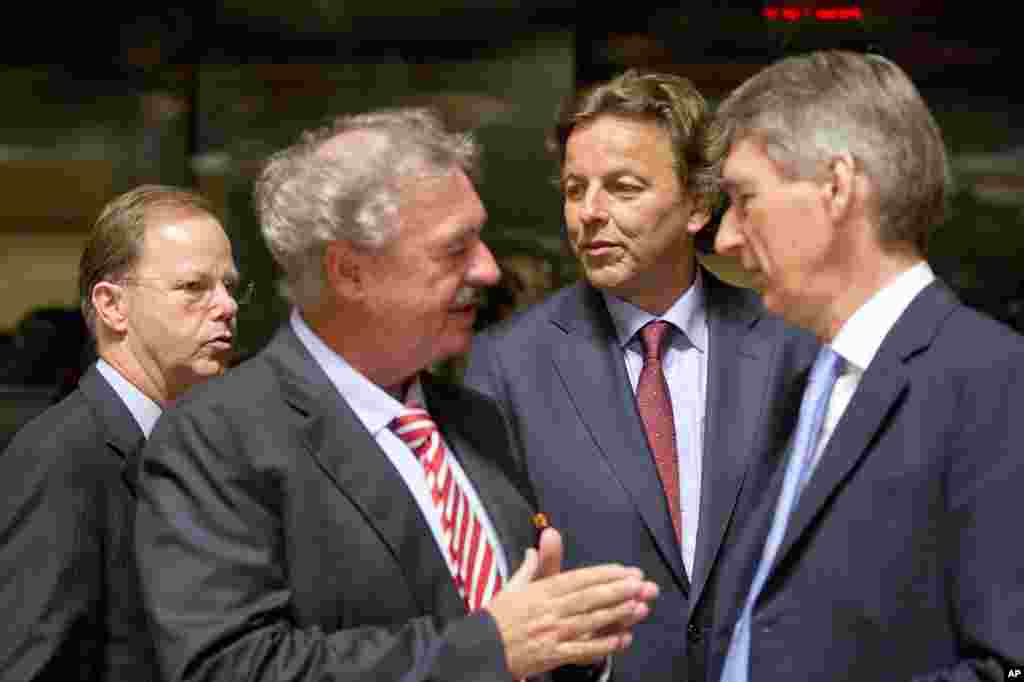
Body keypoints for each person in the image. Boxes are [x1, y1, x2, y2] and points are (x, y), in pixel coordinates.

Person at [133, 108, 658, 682]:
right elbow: (232, 668)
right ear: (350, 272)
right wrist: (488, 647)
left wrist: (571, 643)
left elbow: (525, 636)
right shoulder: (216, 439)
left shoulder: (476, 419)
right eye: (455, 249)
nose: (487, 269)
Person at [463, 70, 816, 682]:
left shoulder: (791, 349)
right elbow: (494, 583)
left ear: (698, 205)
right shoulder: (507, 364)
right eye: (575, 190)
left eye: (623, 188)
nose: (590, 214)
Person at [709, 50, 1024, 682]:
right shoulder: (798, 382)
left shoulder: (994, 381)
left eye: (745, 199)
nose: (725, 238)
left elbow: (1009, 667)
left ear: (837, 186)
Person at [0, 185, 243, 681]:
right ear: (112, 306)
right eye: (195, 287)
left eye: (230, 286)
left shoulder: (209, 447)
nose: (226, 306)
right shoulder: (61, 457)